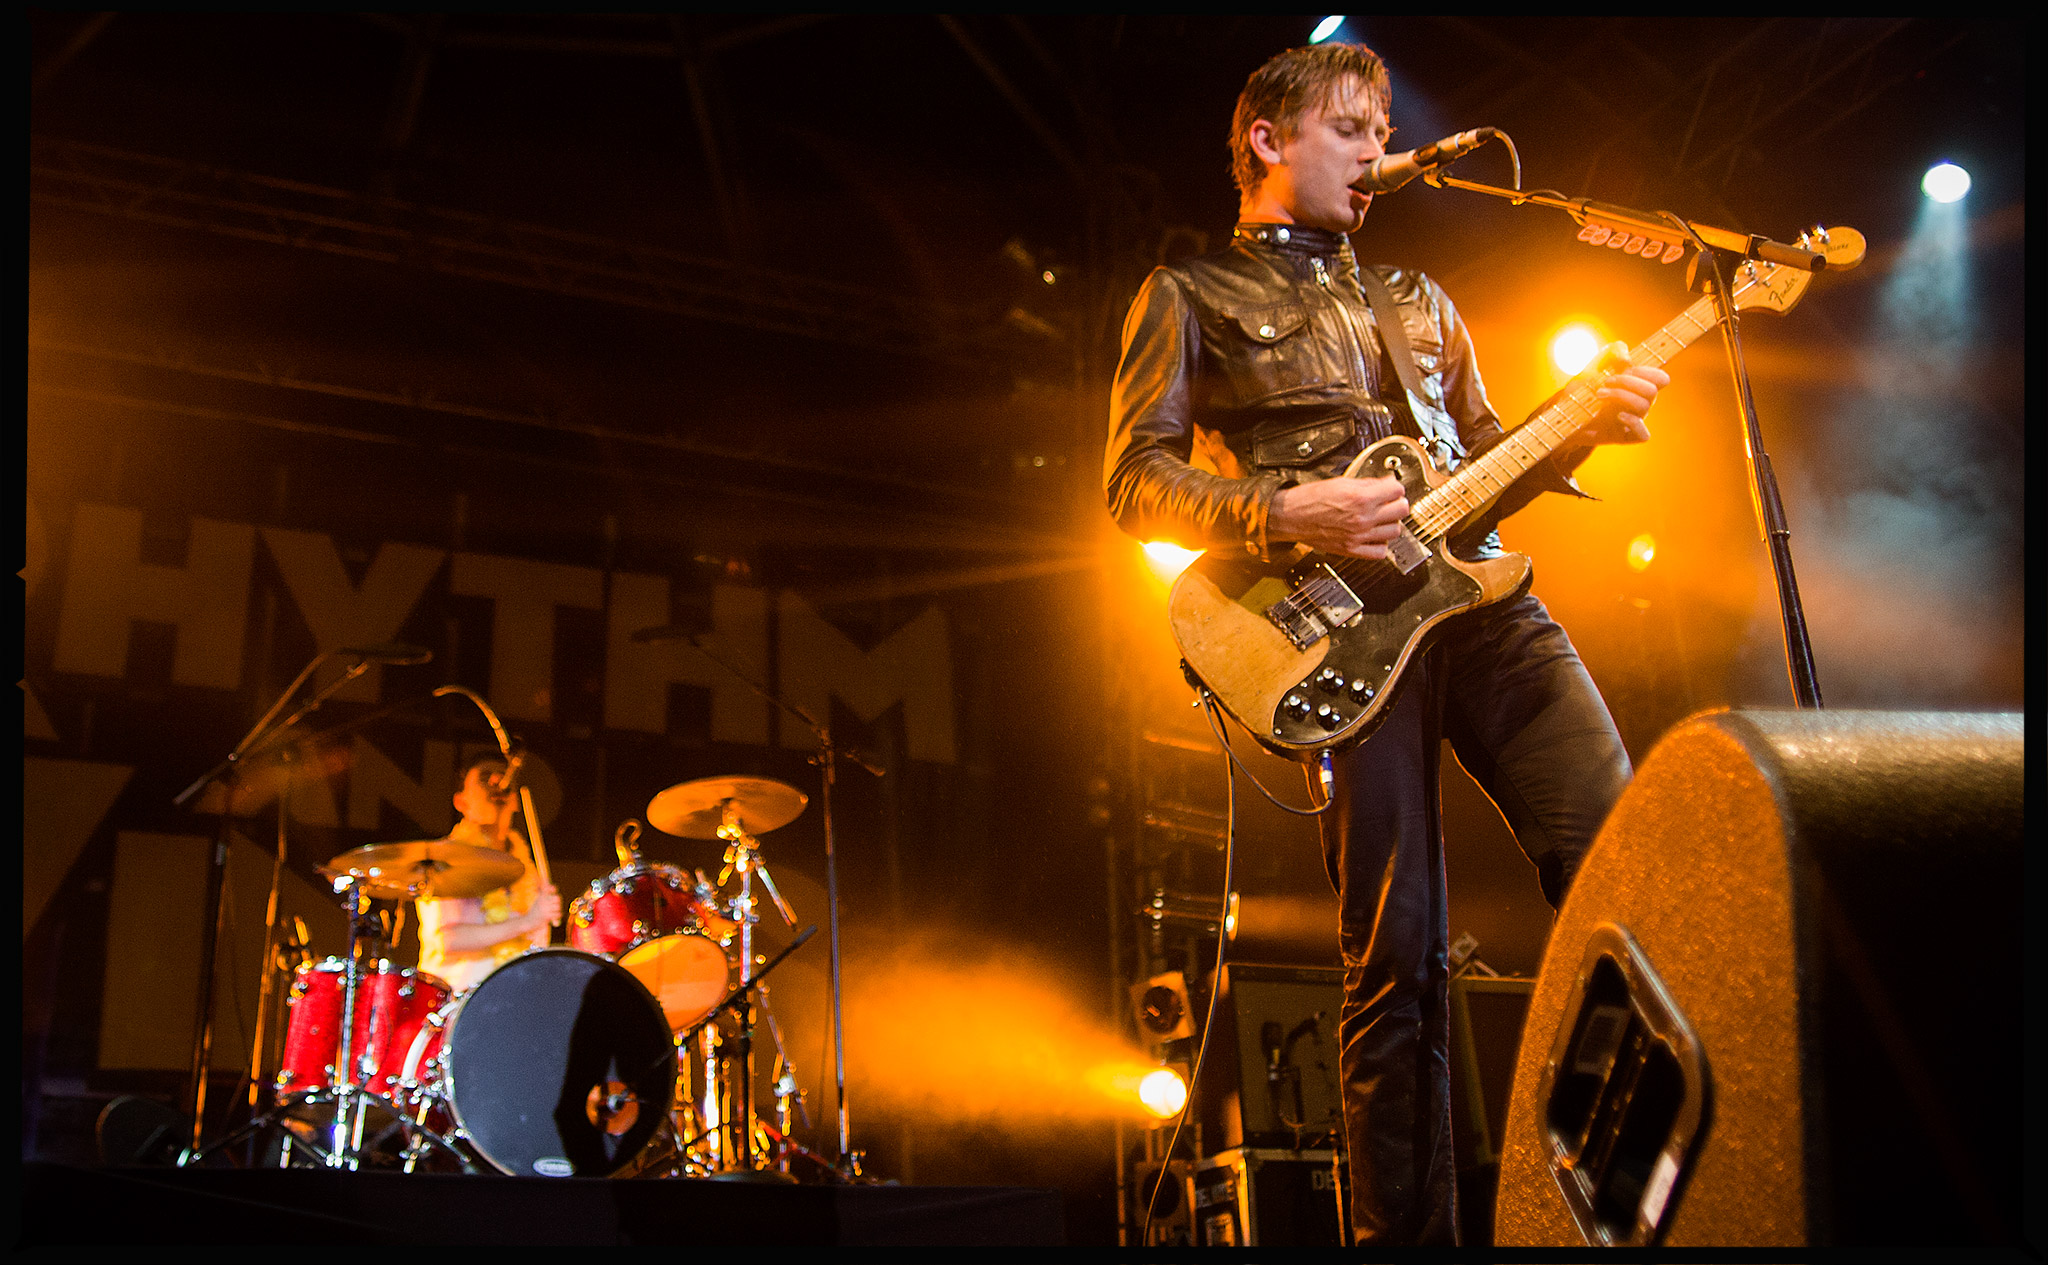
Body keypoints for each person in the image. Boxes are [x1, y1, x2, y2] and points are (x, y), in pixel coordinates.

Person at [1103, 42, 1669, 1245]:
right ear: (1266, 138)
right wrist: (1280, 510)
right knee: (1396, 960)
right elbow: (1131, 484)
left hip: (1481, 610)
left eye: (1381, 127)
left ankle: (1632, 1198)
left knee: (1629, 867)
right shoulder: (1185, 292)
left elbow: (1483, 465)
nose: (1375, 149)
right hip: (1338, 633)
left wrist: (1581, 429)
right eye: (1350, 127)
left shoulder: (1421, 300)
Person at [414, 751, 562, 994]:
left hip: (515, 996)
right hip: (455, 1001)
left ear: (514, 800)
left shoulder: (527, 868)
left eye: (503, 779)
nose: (496, 782)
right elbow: (448, 941)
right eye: (485, 778)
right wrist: (527, 921)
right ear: (461, 802)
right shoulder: (443, 859)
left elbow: (535, 945)